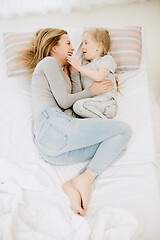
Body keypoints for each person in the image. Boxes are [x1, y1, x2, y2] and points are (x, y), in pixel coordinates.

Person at [18, 28, 132, 217]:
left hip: (55, 150)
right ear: (54, 47)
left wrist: (75, 74)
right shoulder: (48, 63)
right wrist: (92, 92)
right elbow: (64, 101)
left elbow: (73, 106)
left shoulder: (65, 72)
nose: (74, 47)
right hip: (51, 125)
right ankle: (86, 179)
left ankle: (79, 182)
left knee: (118, 147)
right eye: (68, 43)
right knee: (124, 131)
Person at [67, 28, 118, 119]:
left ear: (98, 46)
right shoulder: (85, 67)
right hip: (89, 106)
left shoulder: (106, 59)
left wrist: (79, 67)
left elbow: (99, 77)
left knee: (78, 106)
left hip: (107, 104)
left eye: (86, 43)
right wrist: (74, 73)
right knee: (69, 113)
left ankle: (109, 125)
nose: (82, 47)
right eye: (82, 43)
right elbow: (78, 93)